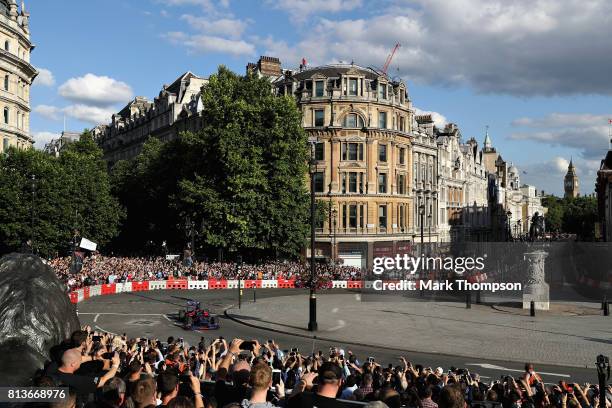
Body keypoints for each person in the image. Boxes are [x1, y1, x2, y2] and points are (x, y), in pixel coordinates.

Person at [49, 348, 120, 404]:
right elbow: (103, 380)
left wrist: (94, 357)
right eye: (80, 360)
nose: (81, 360)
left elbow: (74, 359)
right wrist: (115, 365)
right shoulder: (76, 381)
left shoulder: (52, 367)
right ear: (73, 364)